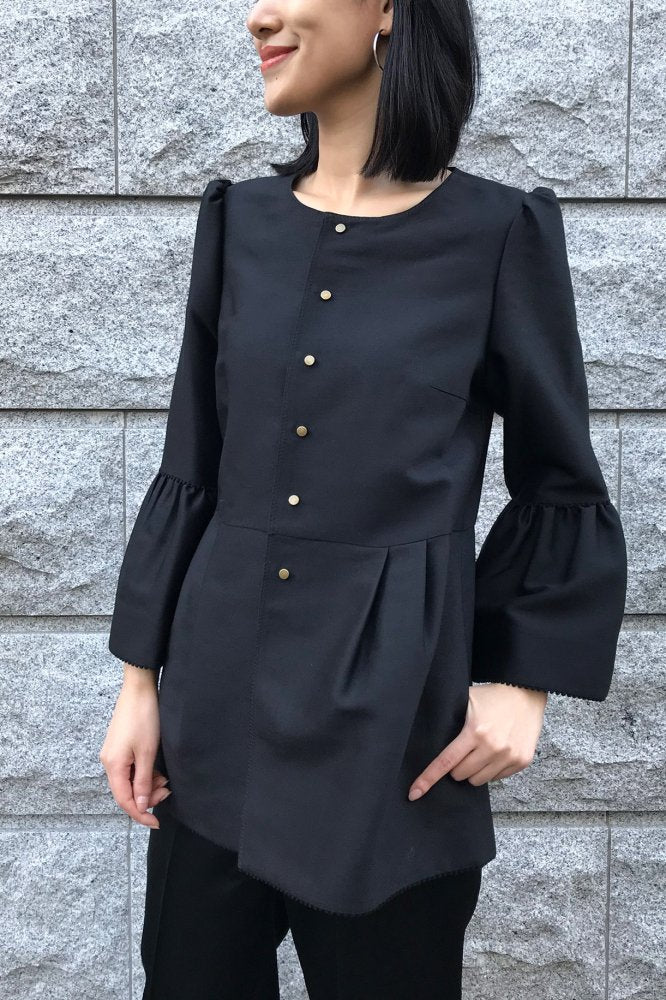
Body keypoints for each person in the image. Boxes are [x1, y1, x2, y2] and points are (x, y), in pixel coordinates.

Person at [99, 2, 628, 998]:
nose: (257, 14)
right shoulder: (238, 222)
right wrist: (139, 683)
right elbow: (193, 460)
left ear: (387, 8)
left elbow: (560, 478)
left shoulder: (498, 233)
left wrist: (521, 682)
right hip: (213, 720)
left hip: (394, 737)